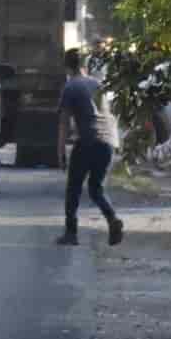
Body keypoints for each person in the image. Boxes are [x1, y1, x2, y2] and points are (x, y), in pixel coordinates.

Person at [56, 46, 124, 246]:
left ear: (67, 67)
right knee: (96, 188)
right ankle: (112, 219)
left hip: (88, 141)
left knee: (73, 188)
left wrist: (61, 154)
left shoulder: (70, 87)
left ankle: (71, 233)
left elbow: (63, 124)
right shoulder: (99, 84)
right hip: (108, 141)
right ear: (84, 65)